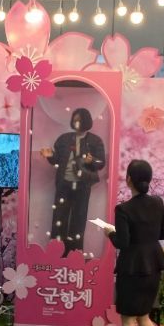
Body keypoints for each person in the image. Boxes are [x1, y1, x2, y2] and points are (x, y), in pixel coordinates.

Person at [104, 160, 164, 326]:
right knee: (144, 316)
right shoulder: (158, 203)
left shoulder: (124, 209)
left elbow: (122, 242)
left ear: (129, 179)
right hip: (154, 264)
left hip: (132, 266)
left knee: (128, 319)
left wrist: (109, 233)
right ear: (148, 180)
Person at [39, 107, 106, 256]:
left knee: (78, 221)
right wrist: (50, 155)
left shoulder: (95, 141)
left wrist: (92, 160)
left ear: (86, 122)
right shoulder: (63, 139)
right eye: (75, 120)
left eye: (80, 120)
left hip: (83, 186)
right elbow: (56, 160)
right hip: (64, 184)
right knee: (59, 220)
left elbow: (101, 163)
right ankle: (56, 254)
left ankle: (74, 255)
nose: (76, 123)